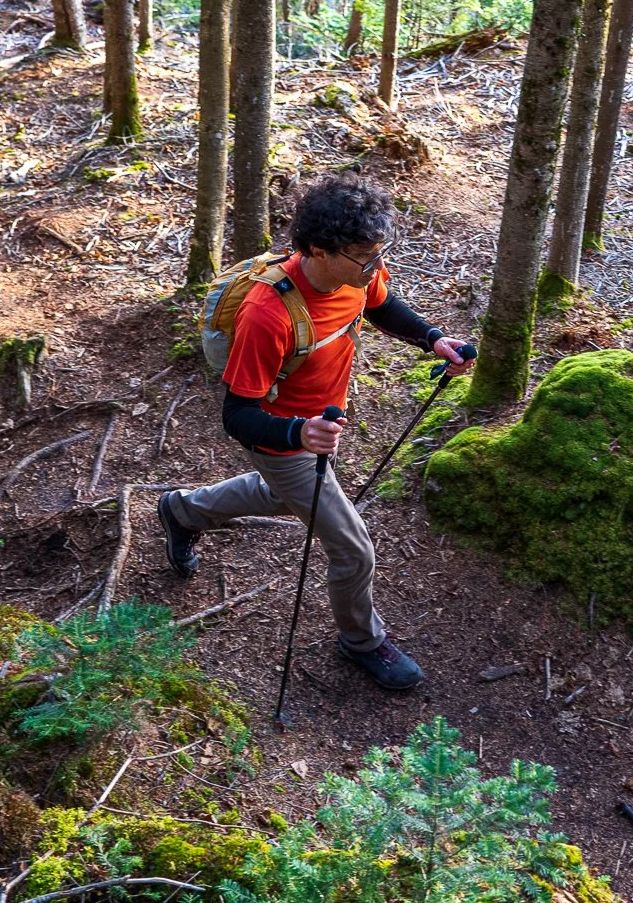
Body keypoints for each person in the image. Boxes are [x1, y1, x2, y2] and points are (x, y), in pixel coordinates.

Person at [158, 174, 472, 690]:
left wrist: (433, 339)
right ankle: (361, 641)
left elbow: (380, 305)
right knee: (353, 548)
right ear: (321, 250)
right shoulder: (269, 314)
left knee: (287, 498)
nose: (374, 265)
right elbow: (236, 414)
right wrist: (299, 434)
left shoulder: (355, 271)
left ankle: (182, 510)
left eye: (378, 253)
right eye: (364, 256)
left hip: (321, 422)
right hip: (283, 437)